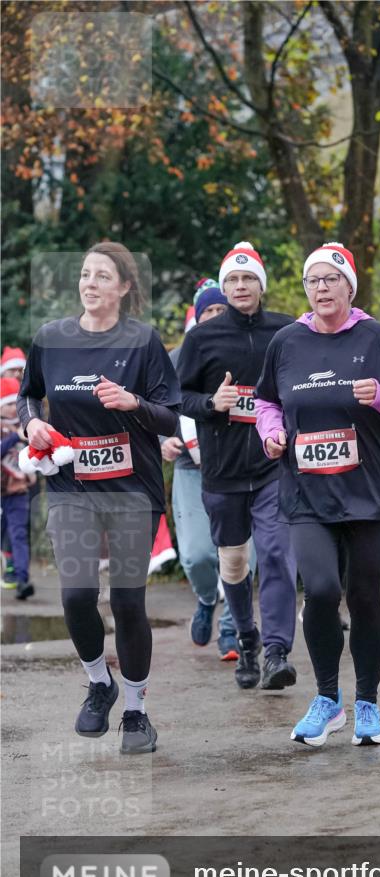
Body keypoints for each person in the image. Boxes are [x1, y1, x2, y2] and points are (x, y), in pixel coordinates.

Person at [255, 242, 380, 747]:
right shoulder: (286, 342)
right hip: (307, 491)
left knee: (366, 596)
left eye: (332, 279)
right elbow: (266, 401)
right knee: (323, 590)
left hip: (370, 490)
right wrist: (270, 432)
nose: (322, 288)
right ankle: (328, 700)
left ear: (350, 286)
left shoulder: (378, 338)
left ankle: (367, 703)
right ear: (305, 289)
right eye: (314, 281)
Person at [17, 241, 181, 753]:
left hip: (132, 489)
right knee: (76, 595)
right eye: (85, 275)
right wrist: (33, 424)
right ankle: (98, 682)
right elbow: (27, 395)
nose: (90, 283)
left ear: (125, 288)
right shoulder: (52, 339)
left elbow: (171, 415)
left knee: (129, 602)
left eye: (103, 277)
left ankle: (136, 712)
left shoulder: (143, 342)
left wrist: (133, 402)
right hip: (71, 487)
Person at [177, 242, 298, 691]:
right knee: (233, 562)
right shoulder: (201, 338)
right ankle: (247, 638)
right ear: (224, 286)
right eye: (233, 280)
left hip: (272, 465)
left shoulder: (286, 331)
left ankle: (276, 651)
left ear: (261, 285)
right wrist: (212, 403)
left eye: (249, 279)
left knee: (275, 554)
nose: (241, 286)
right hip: (222, 470)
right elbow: (177, 396)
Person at [161, 279, 247, 660]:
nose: (214, 317)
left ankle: (231, 626)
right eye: (207, 311)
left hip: (241, 465)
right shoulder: (178, 356)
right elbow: (154, 407)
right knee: (197, 554)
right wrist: (160, 440)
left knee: (241, 553)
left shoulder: (246, 345)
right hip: (190, 467)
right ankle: (207, 597)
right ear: (196, 316)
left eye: (220, 310)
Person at [1, 376, 35, 599]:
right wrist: (14, 436)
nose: (14, 408)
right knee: (4, 534)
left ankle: (23, 579)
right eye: (9, 403)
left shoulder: (28, 426)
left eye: (16, 403)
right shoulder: (9, 431)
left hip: (17, 492)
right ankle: (10, 567)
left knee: (19, 534)